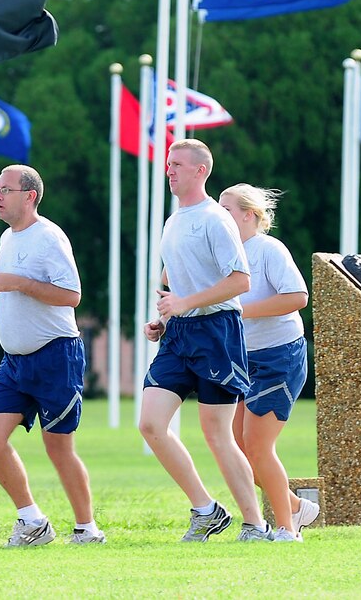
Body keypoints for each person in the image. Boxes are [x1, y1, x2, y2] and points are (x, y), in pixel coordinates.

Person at [140, 139, 270, 542]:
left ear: (201, 171)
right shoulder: (173, 220)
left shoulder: (216, 218)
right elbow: (178, 284)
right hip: (179, 335)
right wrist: (165, 317)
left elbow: (239, 281)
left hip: (217, 333)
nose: (170, 170)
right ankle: (206, 510)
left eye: (178, 164)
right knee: (150, 424)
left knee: (217, 435)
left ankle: (255, 524)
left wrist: (184, 304)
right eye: (168, 163)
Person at [0, 164, 105, 546]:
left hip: (55, 356)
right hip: (14, 362)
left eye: (6, 189)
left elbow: (70, 296)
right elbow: (25, 291)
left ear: (29, 196)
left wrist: (18, 284)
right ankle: (32, 521)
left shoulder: (49, 237)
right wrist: (0, 303)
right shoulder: (7, 238)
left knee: (58, 447)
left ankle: (87, 529)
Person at [219, 183, 318, 542]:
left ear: (250, 215)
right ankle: (295, 506)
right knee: (239, 450)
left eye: (226, 209)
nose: (219, 215)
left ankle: (287, 530)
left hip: (279, 356)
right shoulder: (223, 253)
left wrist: (239, 310)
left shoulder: (268, 250)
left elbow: (298, 297)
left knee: (258, 447)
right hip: (242, 359)